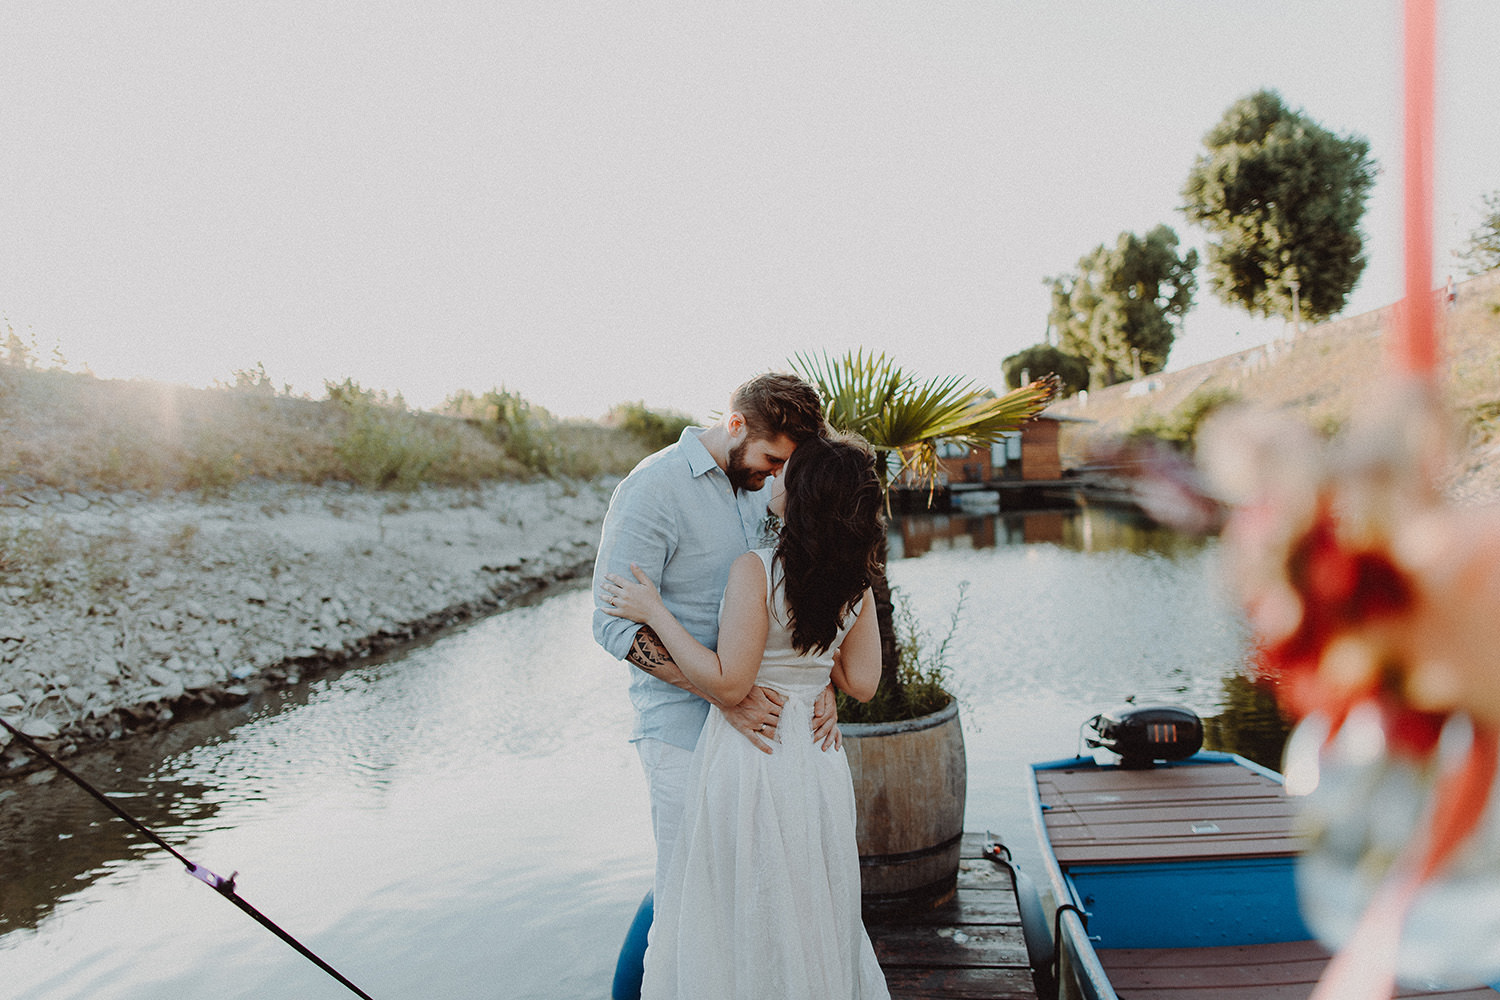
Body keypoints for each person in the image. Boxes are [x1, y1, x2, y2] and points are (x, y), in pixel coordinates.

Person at [601, 432, 890, 999]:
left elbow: (730, 683)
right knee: (811, 900)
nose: (774, 481)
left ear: (802, 495)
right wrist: (815, 675)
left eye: (787, 474)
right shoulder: (856, 581)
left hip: (755, 752)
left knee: (734, 900)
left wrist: (655, 611)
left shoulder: (756, 570)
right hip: (816, 755)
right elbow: (863, 681)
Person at [591, 372, 836, 976]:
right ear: (735, 425)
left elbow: (787, 599)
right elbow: (613, 624)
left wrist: (819, 679)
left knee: (747, 898)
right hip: (680, 729)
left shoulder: (762, 489)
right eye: (772, 457)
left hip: (759, 731)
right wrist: (723, 692)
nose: (777, 473)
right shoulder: (652, 488)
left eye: (787, 465)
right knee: (681, 897)